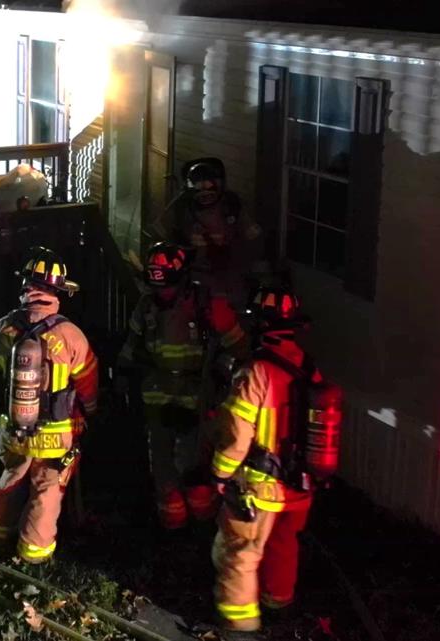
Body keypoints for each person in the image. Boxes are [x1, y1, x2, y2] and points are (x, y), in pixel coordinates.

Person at [210, 285, 338, 632]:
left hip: (259, 489)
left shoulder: (255, 372)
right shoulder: (309, 368)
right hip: (299, 487)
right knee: (284, 545)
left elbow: (237, 434)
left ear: (260, 325)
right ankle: (278, 605)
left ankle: (240, 628)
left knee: (239, 555)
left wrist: (221, 475)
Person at [0, 247, 99, 564]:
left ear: (25, 287)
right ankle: (34, 559)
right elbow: (88, 384)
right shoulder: (71, 335)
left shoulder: (2, 329)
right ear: (57, 291)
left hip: (14, 429)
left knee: (11, 479)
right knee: (46, 492)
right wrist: (91, 412)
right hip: (55, 436)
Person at [116, 242, 249, 530]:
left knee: (194, 465)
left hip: (196, 398)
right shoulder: (147, 305)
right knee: (162, 464)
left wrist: (219, 373)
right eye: (156, 286)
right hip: (157, 396)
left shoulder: (207, 305)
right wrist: (122, 376)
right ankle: (172, 524)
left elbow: (238, 347)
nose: (161, 294)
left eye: (166, 287)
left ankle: (202, 524)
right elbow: (132, 345)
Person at [149, 158, 265, 308]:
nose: (205, 194)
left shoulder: (232, 205)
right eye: (199, 190)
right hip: (190, 276)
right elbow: (159, 234)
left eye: (209, 189)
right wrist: (182, 245)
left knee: (228, 318)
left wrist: (237, 251)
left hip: (228, 276)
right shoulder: (181, 207)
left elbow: (254, 240)